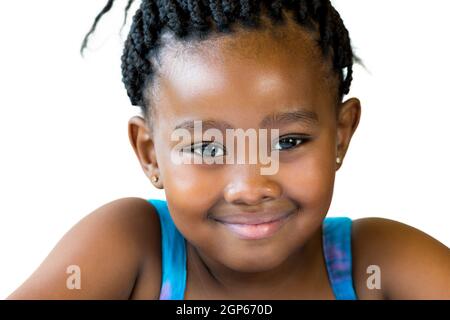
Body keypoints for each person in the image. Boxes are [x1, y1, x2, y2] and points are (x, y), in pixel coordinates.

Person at [7, 0, 450, 300]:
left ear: (341, 134)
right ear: (150, 154)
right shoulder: (134, 247)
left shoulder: (379, 263)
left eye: (288, 141)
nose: (250, 187)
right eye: (206, 147)